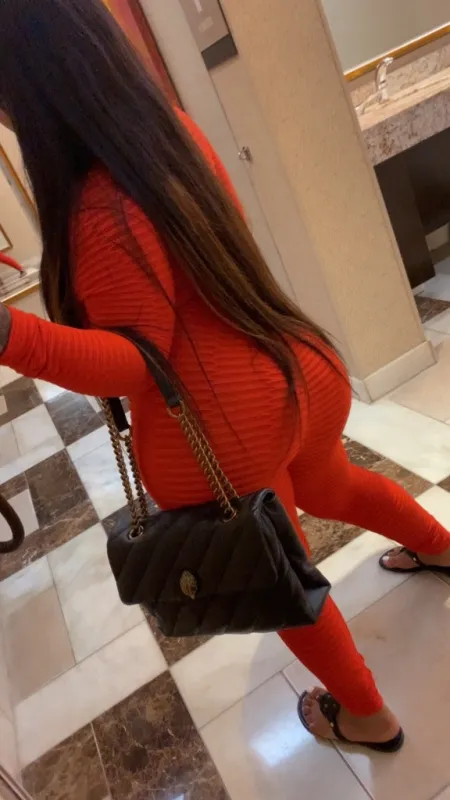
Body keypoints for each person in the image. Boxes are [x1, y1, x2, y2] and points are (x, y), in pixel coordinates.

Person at [1, 0, 450, 752]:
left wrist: (11, 335)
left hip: (221, 432)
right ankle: (439, 546)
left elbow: (136, 360)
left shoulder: (97, 208)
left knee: (278, 574)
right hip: (296, 367)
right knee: (335, 485)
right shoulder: (170, 132)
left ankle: (367, 716)